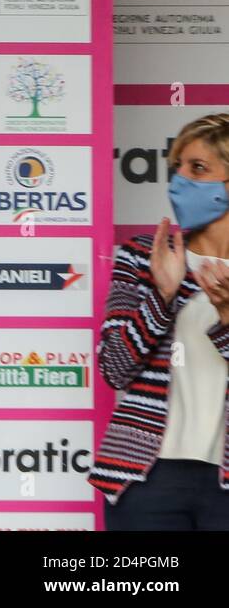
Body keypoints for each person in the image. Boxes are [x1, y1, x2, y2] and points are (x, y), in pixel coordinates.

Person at [90, 113, 229, 529]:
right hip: (145, 477)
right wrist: (162, 295)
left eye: (198, 168)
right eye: (177, 168)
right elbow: (113, 368)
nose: (179, 180)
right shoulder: (142, 256)